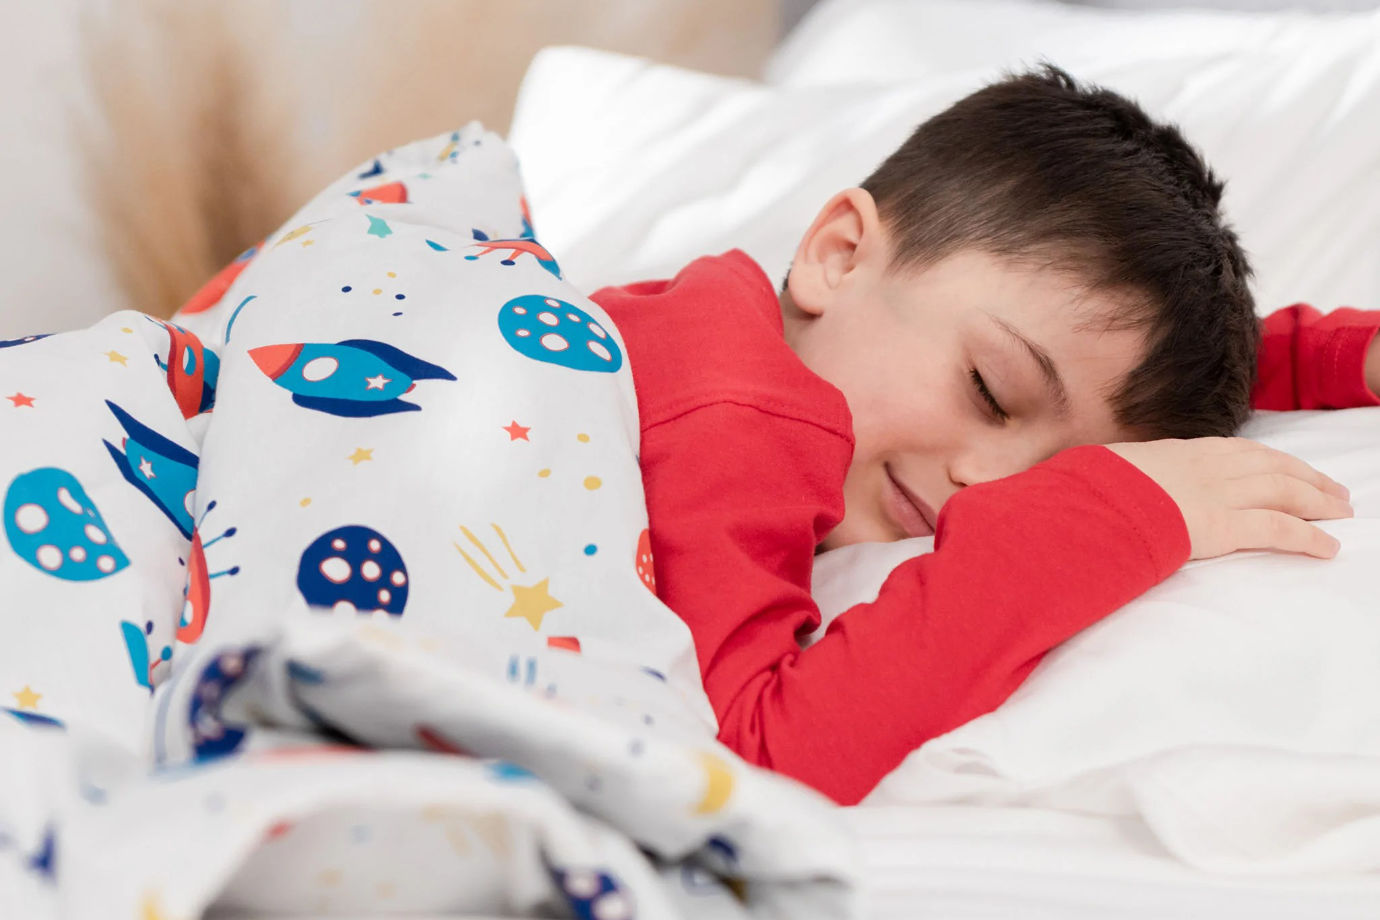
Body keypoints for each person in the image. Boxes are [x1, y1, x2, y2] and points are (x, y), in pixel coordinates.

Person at [587, 66, 1380, 805]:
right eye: (990, 393)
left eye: (1051, 473)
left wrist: (1328, 357)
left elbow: (1080, 366)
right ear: (839, 254)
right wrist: (1085, 520)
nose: (993, 486)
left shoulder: (725, 334)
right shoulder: (738, 415)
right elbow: (746, 765)